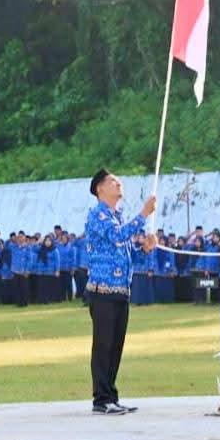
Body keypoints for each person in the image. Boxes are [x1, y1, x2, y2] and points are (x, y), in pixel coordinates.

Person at [84, 169, 157, 415]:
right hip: (102, 291)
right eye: (112, 181)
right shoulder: (97, 215)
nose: (118, 184)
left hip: (120, 290)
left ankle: (110, 396)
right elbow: (117, 237)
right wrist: (143, 215)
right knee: (103, 345)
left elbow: (126, 256)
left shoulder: (117, 217)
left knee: (115, 345)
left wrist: (144, 249)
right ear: (99, 189)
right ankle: (100, 399)